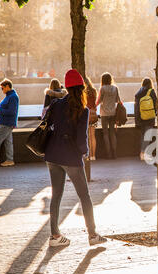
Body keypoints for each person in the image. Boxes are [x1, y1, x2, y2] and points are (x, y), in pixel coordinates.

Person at [44, 69, 107, 247]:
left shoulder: (56, 104)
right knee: (84, 196)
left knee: (56, 195)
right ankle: (92, 234)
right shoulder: (83, 109)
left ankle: (55, 236)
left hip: (52, 155)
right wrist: (84, 152)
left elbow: (48, 124)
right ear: (81, 88)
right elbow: (81, 138)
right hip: (70, 157)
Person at [0, 79, 19, 167]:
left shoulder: (12, 97)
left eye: (2, 88)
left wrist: (0, 110)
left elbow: (12, 112)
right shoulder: (10, 96)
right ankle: (10, 160)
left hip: (6, 123)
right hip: (7, 122)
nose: (2, 90)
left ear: (7, 86)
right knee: (8, 142)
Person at [96, 72, 121, 159]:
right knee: (112, 133)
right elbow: (118, 100)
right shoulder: (115, 88)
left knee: (105, 134)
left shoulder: (102, 88)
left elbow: (98, 101)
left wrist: (93, 106)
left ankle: (108, 154)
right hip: (113, 113)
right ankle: (114, 153)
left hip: (104, 114)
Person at [134, 77, 157, 161]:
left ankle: (142, 153)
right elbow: (156, 104)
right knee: (147, 136)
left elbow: (136, 108)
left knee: (143, 135)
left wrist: (137, 120)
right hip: (150, 117)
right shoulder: (151, 92)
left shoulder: (138, 93)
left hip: (141, 117)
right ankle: (144, 153)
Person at [84, 76, 98, 161]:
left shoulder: (83, 92)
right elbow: (95, 103)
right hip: (93, 114)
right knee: (93, 136)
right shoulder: (94, 91)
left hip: (85, 115)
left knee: (86, 136)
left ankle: (87, 156)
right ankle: (93, 156)